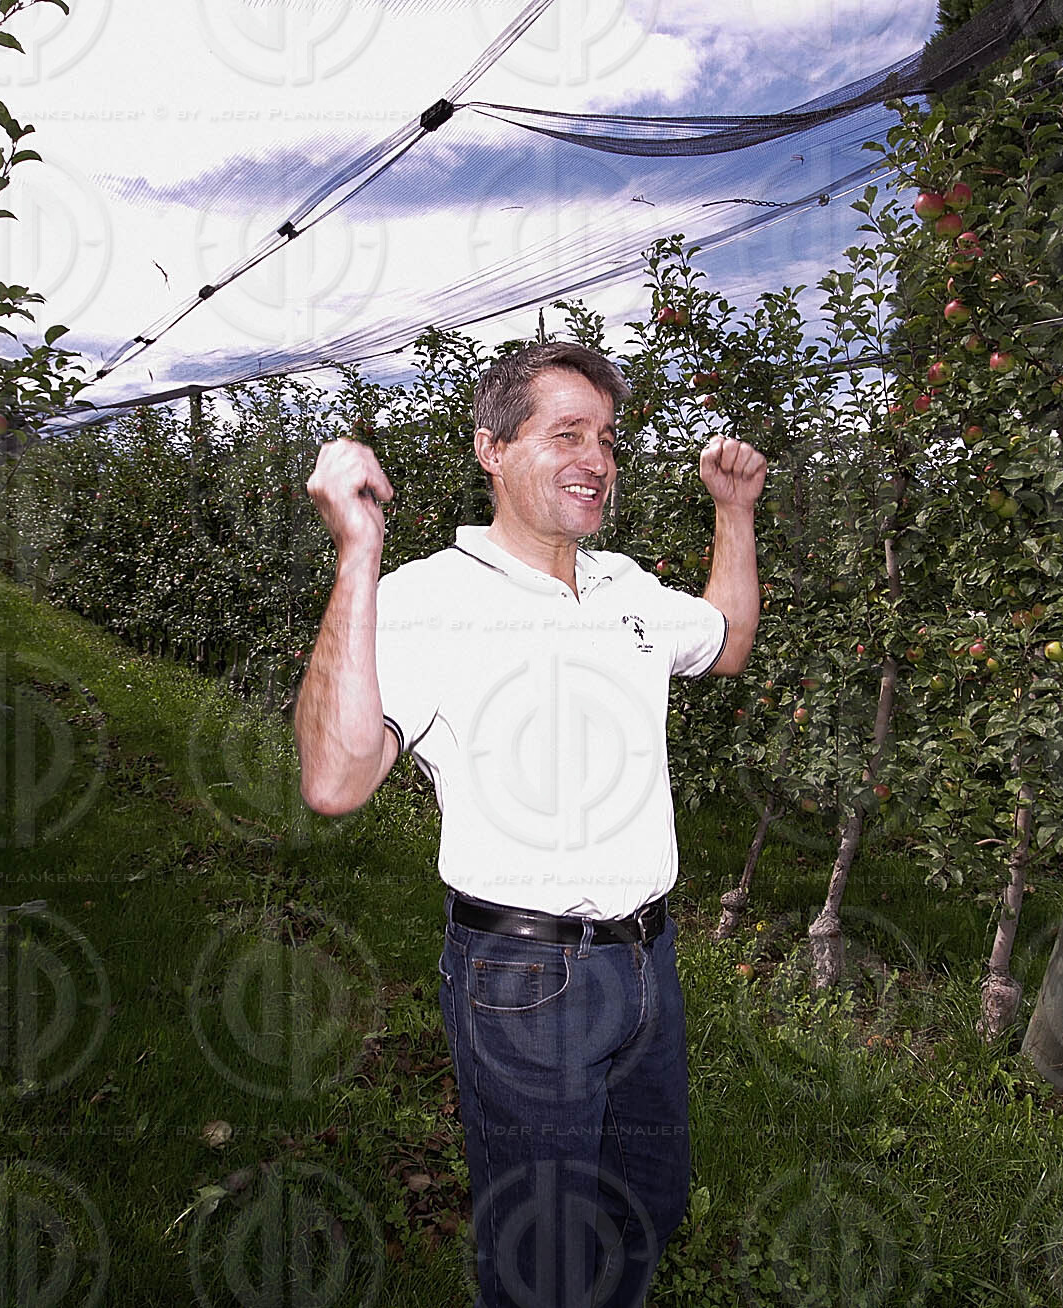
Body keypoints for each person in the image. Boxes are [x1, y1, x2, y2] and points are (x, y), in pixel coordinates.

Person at [294, 340, 765, 1308]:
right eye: (565, 433)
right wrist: (356, 553)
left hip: (647, 964)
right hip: (524, 980)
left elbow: (727, 641)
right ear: (491, 448)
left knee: (650, 1204)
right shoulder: (425, 599)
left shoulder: (628, 590)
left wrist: (733, 512)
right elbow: (335, 779)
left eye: (606, 439)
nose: (596, 457)